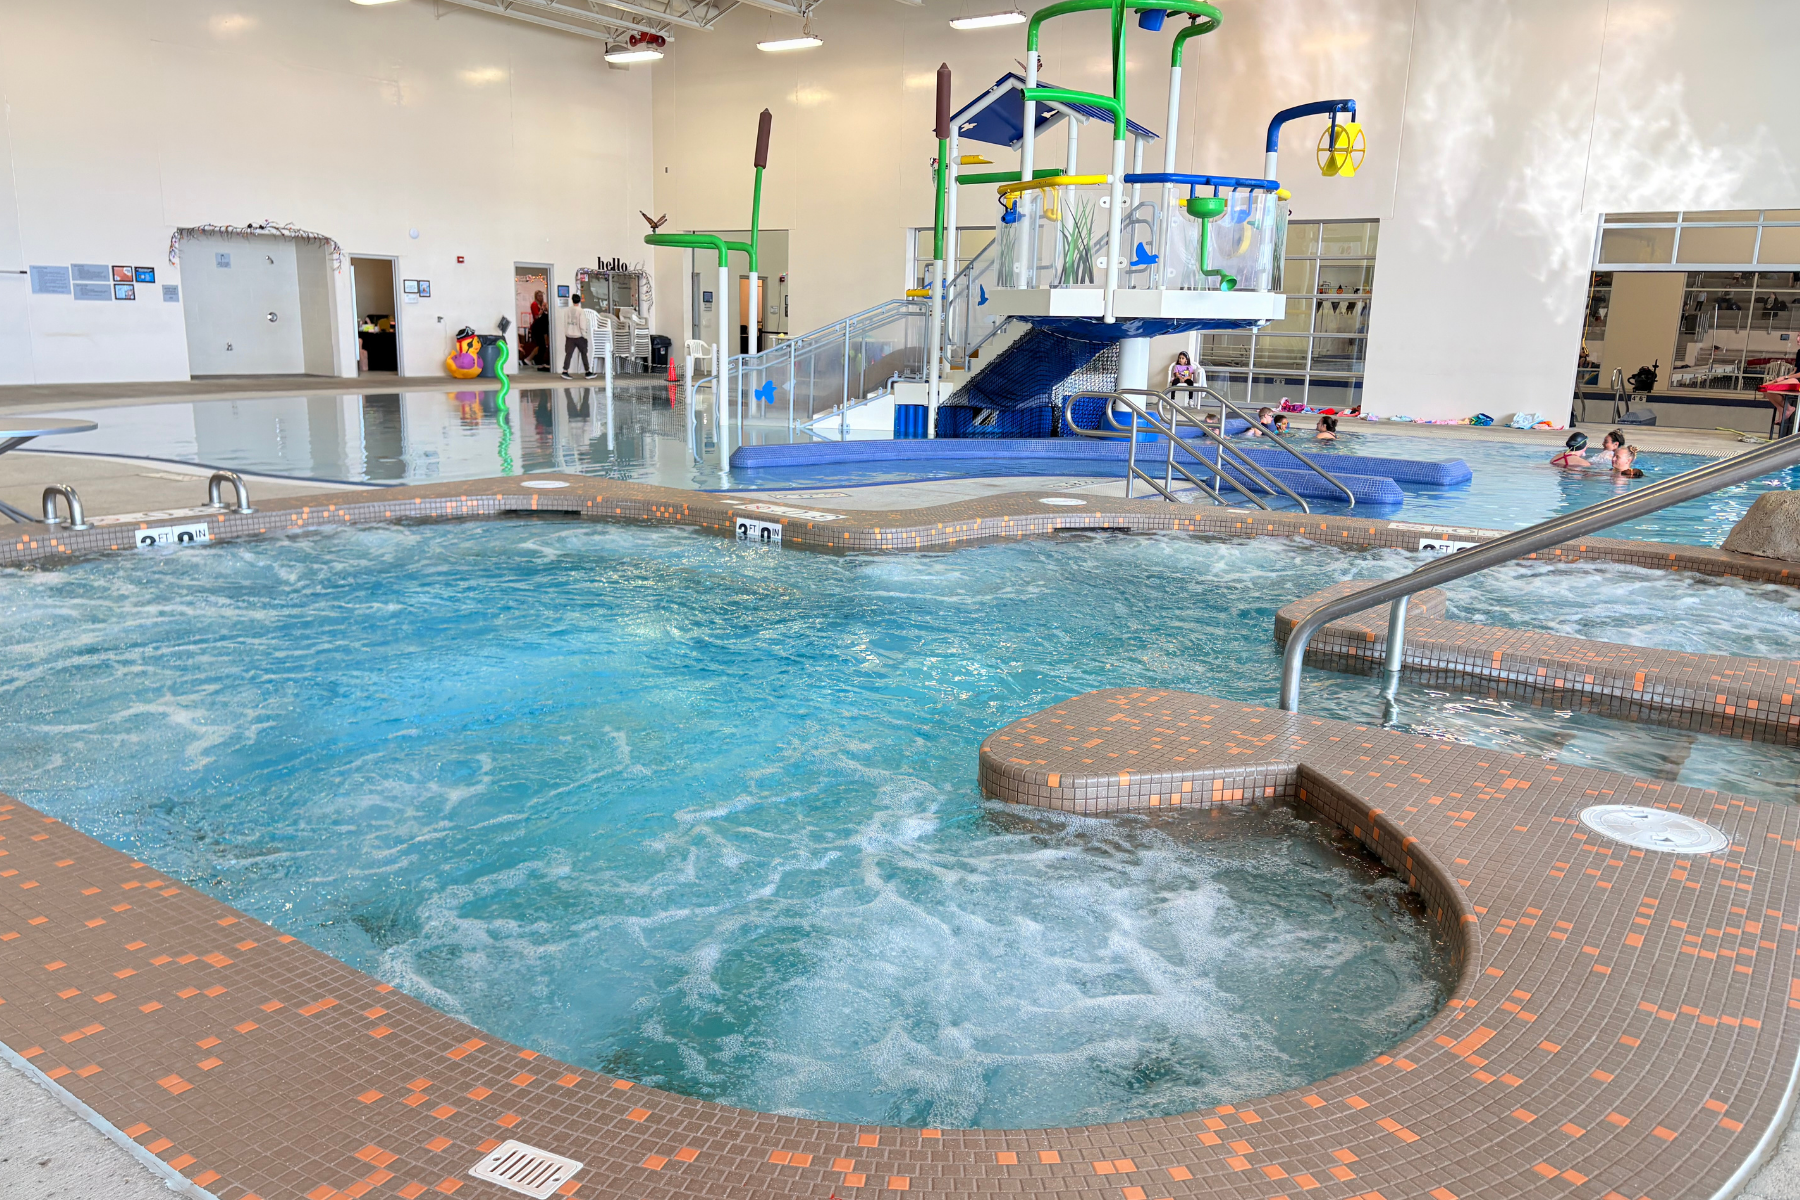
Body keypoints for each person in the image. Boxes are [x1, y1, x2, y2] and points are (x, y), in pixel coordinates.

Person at [562, 299, 598, 378]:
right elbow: (582, 325)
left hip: (569, 336)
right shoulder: (581, 311)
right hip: (579, 336)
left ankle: (565, 371)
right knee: (584, 353)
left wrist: (566, 333)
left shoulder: (567, 310)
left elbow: (565, 323)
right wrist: (585, 335)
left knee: (568, 354)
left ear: (572, 300)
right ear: (579, 301)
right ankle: (587, 372)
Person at [529, 306, 551, 371]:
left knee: (541, 346)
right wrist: (547, 341)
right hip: (538, 331)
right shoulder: (546, 318)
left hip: (537, 330)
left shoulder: (544, 317)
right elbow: (545, 333)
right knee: (542, 346)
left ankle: (534, 360)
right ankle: (535, 360)